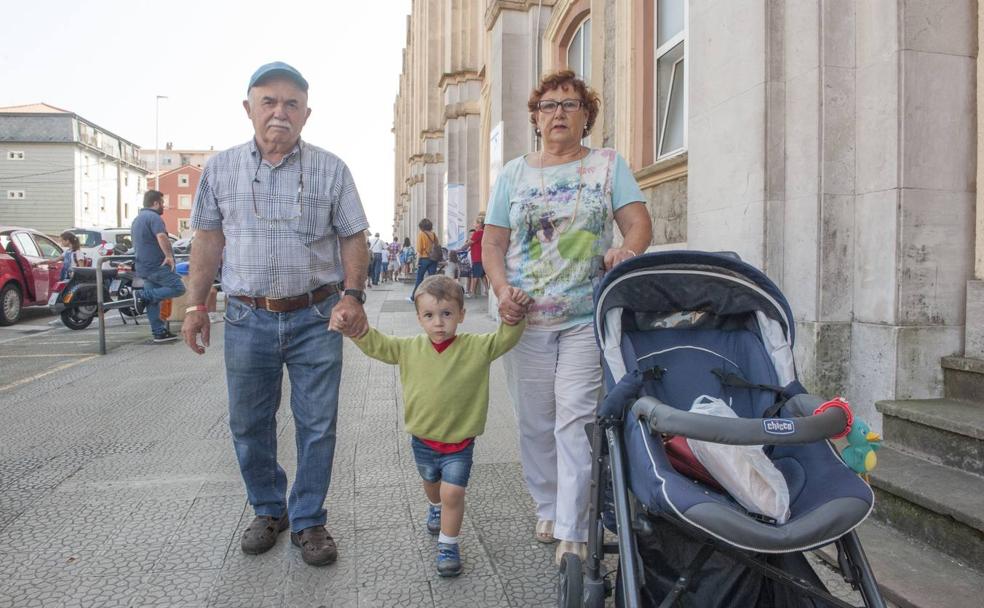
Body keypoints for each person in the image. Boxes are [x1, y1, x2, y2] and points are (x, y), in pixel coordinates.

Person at [180, 61, 371, 567]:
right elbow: (207, 240)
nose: (279, 112)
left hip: (316, 316)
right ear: (249, 109)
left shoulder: (332, 169)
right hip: (246, 317)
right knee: (248, 422)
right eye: (269, 102)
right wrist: (196, 306)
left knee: (318, 423)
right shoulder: (221, 169)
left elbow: (354, 235)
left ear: (306, 114)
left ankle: (308, 518)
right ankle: (269, 508)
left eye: (291, 103)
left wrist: (353, 295)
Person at [482, 70, 653, 565]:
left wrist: (628, 249)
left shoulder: (607, 165)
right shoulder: (514, 173)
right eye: (549, 106)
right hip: (524, 319)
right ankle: (548, 505)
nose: (559, 113)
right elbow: (493, 241)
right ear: (536, 118)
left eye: (570, 105)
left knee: (574, 420)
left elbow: (638, 220)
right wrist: (498, 289)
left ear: (586, 117)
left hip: (583, 317)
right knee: (535, 422)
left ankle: (575, 528)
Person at [334, 275, 528, 576]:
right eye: (429, 315)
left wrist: (514, 313)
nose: (438, 322)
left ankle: (448, 545)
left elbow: (505, 338)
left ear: (461, 315)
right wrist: (356, 332)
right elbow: (379, 346)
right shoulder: (409, 348)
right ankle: (433, 505)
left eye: (447, 314)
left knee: (453, 494)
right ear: (419, 318)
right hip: (423, 440)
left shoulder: (477, 347)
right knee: (431, 482)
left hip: (460, 443)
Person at [131, 190, 187, 343]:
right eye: (162, 203)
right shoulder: (154, 217)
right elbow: (161, 236)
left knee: (153, 301)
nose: (164, 206)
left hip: (143, 265)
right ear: (155, 203)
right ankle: (142, 296)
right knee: (179, 288)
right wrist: (169, 256)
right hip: (156, 264)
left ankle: (158, 332)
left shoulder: (137, 219)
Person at [410, 218, 439, 301]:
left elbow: (419, 249)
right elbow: (437, 245)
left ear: (421, 226)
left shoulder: (421, 234)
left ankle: (414, 296)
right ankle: (434, 296)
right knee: (432, 278)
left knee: (420, 278)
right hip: (433, 258)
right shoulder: (433, 234)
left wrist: (417, 261)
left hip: (424, 258)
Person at [467, 219, 487, 298]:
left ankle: (472, 292)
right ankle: (486, 291)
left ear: (479, 224)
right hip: (482, 257)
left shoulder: (477, 233)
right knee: (482, 275)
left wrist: (460, 249)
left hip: (477, 258)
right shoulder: (484, 233)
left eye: (476, 223)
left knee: (475, 276)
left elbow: (470, 243)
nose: (475, 225)